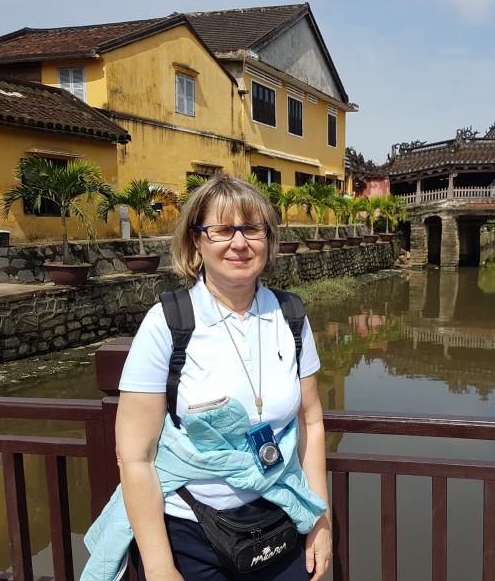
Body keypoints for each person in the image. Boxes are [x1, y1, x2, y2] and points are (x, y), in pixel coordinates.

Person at [101, 176, 332, 580]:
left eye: (252, 229)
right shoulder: (168, 322)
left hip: (282, 516)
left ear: (268, 239)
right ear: (196, 241)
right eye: (222, 230)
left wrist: (319, 520)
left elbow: (310, 420)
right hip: (191, 532)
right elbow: (135, 456)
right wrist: (159, 565)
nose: (239, 243)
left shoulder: (290, 316)